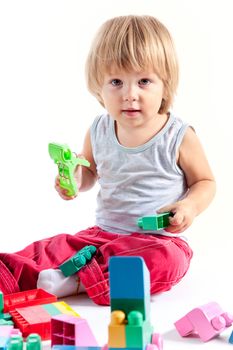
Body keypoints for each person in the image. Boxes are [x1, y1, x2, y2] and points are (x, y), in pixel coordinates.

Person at [0, 15, 216, 305]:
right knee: (55, 246)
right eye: (116, 81)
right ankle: (22, 274)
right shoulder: (99, 130)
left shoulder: (177, 135)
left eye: (144, 81)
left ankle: (75, 280)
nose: (130, 95)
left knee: (166, 261)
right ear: (98, 87)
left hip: (157, 239)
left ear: (165, 85)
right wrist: (74, 180)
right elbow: (90, 173)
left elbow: (205, 181)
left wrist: (189, 206)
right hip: (101, 237)